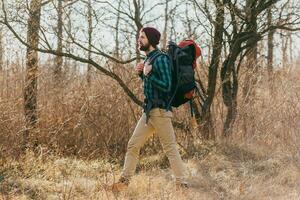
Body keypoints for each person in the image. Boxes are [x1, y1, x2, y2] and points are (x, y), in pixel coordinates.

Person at [108, 27, 188, 192]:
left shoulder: (161, 59)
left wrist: (148, 74)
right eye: (139, 37)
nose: (139, 40)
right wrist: (142, 74)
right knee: (133, 145)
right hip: (149, 112)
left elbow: (167, 86)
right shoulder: (149, 59)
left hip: (160, 112)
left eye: (142, 37)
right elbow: (151, 86)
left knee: (170, 148)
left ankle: (182, 184)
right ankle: (124, 182)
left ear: (150, 40)